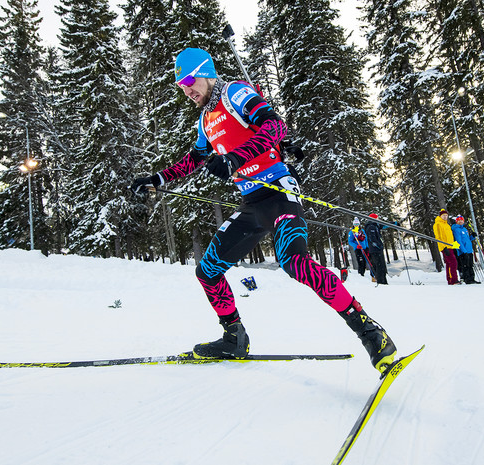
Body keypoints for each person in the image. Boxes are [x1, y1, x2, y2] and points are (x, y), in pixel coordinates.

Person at [129, 47, 397, 372]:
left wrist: (234, 158)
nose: (186, 89)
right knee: (208, 271)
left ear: (206, 72)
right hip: (252, 202)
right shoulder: (205, 121)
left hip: (279, 191)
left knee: (295, 262)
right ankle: (234, 338)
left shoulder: (235, 93)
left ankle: (372, 333)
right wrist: (156, 178)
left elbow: (275, 127)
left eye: (189, 80)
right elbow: (195, 159)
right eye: (181, 85)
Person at [433, 209, 460, 285]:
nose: (445, 217)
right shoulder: (437, 224)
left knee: (449, 263)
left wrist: (455, 246)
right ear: (440, 216)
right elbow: (438, 237)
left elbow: (450, 237)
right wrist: (443, 247)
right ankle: (453, 279)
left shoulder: (447, 225)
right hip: (445, 247)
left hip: (450, 247)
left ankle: (450, 280)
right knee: (453, 262)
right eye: (443, 216)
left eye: (446, 216)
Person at [452, 215, 479, 284]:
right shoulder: (456, 230)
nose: (461, 221)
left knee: (470, 265)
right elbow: (459, 241)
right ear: (457, 221)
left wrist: (472, 236)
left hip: (469, 250)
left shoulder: (464, 229)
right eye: (459, 220)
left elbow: (467, 240)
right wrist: (464, 251)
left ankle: (472, 278)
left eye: (462, 220)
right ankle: (467, 279)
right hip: (463, 251)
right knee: (465, 265)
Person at [364, 213, 389, 285]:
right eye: (377, 219)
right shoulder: (371, 227)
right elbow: (372, 239)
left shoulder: (376, 226)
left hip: (378, 249)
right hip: (375, 250)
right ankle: (381, 282)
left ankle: (383, 281)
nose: (378, 220)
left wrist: (393, 224)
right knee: (379, 266)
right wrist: (378, 246)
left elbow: (384, 225)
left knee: (382, 266)